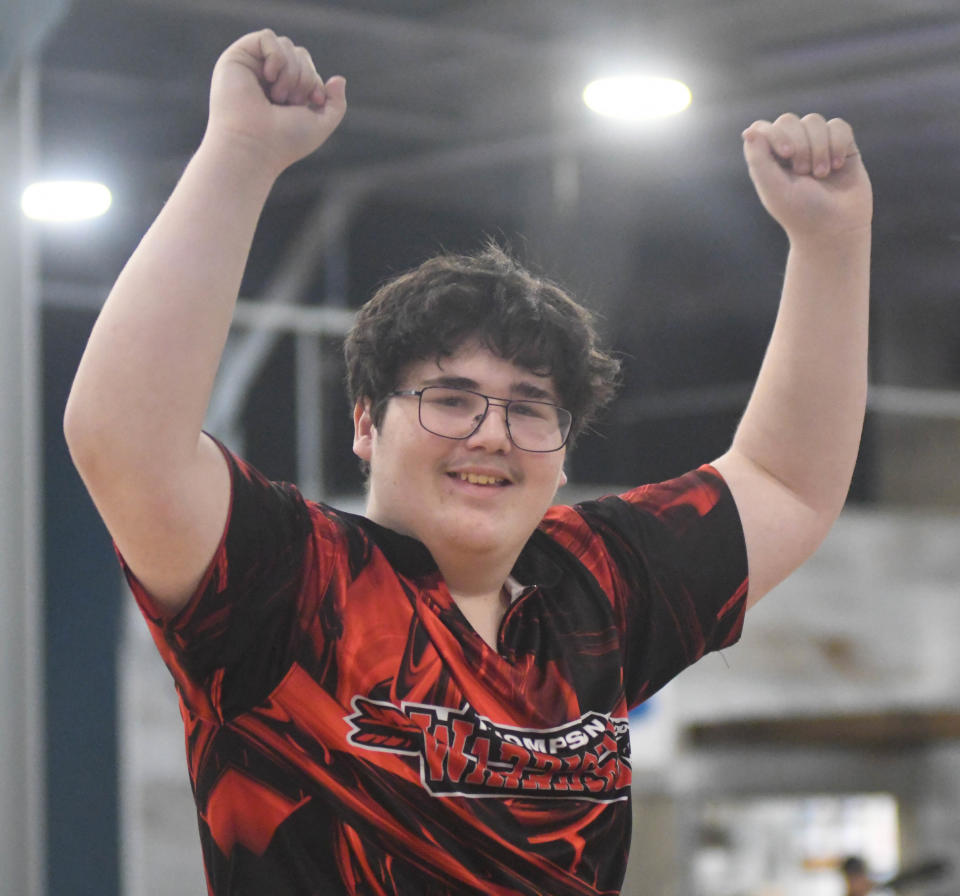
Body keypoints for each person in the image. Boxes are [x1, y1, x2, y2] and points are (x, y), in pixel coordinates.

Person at [63, 28, 872, 896]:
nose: (491, 434)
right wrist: (240, 154)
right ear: (367, 425)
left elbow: (786, 482)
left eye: (529, 408)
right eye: (450, 399)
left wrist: (830, 245)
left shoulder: (599, 587)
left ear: (563, 454)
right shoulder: (289, 584)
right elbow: (124, 439)